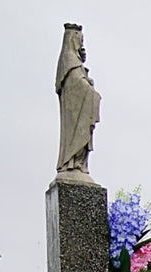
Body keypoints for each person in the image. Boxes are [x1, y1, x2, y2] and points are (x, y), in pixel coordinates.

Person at [55, 23, 101, 179]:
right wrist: (89, 87)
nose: (81, 44)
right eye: (79, 41)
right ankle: (71, 162)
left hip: (83, 109)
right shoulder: (68, 59)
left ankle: (79, 164)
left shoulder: (76, 62)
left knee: (84, 135)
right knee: (76, 134)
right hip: (75, 113)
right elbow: (77, 84)